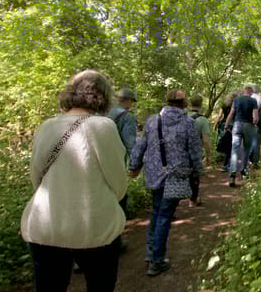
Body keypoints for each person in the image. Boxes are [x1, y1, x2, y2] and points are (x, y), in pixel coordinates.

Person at [20, 70, 127, 292]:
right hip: (95, 229)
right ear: (104, 96)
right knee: (100, 286)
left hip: (46, 227)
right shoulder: (103, 126)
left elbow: (36, 177)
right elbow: (119, 183)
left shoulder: (48, 125)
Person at [128, 89, 201, 277]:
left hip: (154, 174)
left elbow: (140, 146)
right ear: (184, 103)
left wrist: (133, 166)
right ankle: (156, 261)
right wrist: (196, 172)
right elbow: (194, 151)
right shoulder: (188, 123)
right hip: (176, 176)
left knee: (156, 211)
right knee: (164, 216)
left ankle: (150, 253)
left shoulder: (153, 121)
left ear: (167, 101)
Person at [108, 86, 138, 249]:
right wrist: (134, 166)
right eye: (131, 102)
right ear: (126, 100)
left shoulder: (99, 113)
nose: (131, 105)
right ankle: (115, 242)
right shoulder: (126, 117)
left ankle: (81, 255)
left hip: (90, 165)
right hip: (115, 165)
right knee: (119, 202)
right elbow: (131, 144)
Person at [224, 84, 258, 187]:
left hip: (237, 125)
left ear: (244, 91)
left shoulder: (237, 100)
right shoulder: (253, 101)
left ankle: (232, 175)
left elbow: (231, 114)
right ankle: (243, 170)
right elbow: (255, 118)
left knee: (235, 150)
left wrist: (226, 125)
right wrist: (254, 124)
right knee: (247, 149)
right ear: (251, 92)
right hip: (249, 126)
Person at [187, 94, 211, 207]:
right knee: (194, 176)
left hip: (179, 151)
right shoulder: (202, 120)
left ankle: (173, 203)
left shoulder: (182, 116)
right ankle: (192, 200)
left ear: (189, 104)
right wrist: (208, 155)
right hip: (195, 152)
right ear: (201, 105)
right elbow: (206, 141)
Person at [214, 92, 237, 171]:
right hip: (235, 125)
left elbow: (219, 116)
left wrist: (215, 124)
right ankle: (229, 163)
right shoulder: (237, 105)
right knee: (232, 145)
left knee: (223, 141)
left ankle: (224, 160)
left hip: (224, 125)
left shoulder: (224, 105)